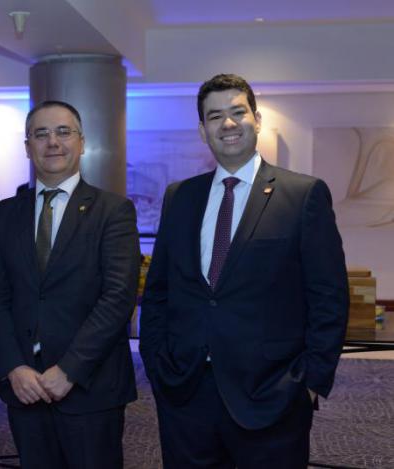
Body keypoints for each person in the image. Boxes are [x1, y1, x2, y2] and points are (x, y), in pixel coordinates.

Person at [140, 73, 349, 468]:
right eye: (214, 116)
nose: (228, 123)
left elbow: (329, 297)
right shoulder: (180, 196)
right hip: (185, 394)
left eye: (238, 112)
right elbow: (159, 292)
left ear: (257, 120)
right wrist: (156, 367)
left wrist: (310, 383)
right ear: (203, 131)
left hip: (272, 394)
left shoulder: (302, 195)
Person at [0, 100, 140, 469]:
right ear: (28, 147)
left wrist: (69, 369)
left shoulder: (113, 211)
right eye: (41, 134)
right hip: (25, 387)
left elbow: (117, 298)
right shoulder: (5, 213)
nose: (52, 142)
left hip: (90, 387)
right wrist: (13, 367)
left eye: (63, 132)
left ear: (81, 143)